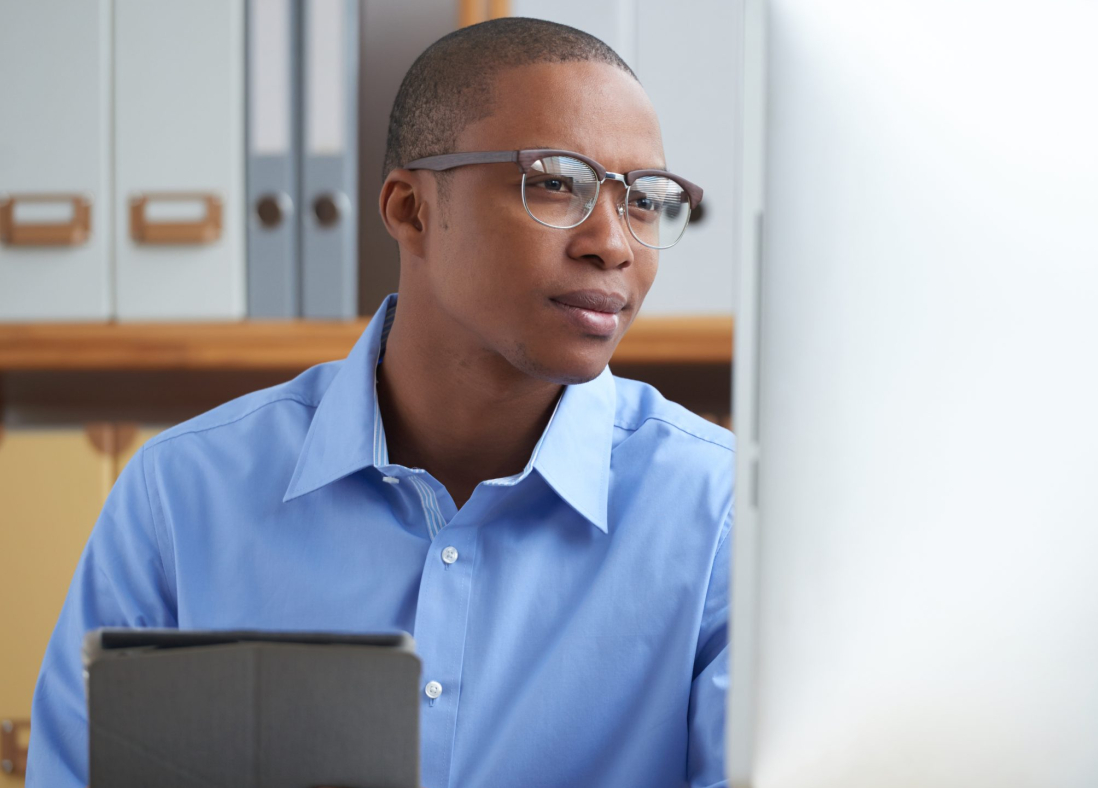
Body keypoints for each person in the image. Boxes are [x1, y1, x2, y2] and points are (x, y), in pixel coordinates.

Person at [26, 18, 732, 788]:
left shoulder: (721, 514)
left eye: (644, 201)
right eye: (556, 182)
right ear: (410, 210)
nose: (614, 243)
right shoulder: (181, 497)